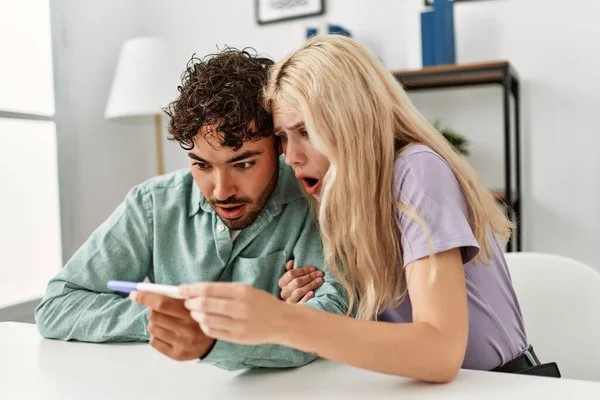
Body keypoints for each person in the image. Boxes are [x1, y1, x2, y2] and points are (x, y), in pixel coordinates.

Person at [180, 35, 560, 381]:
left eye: (308, 131)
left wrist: (287, 322)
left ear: (352, 120)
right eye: (283, 137)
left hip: (502, 385)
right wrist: (312, 300)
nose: (292, 157)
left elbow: (441, 352)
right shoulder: (337, 198)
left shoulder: (416, 170)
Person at [35, 47, 347, 371]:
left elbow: (330, 320)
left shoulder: (312, 199)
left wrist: (212, 333)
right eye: (201, 165)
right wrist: (170, 320)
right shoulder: (154, 204)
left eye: (243, 164)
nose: (221, 190)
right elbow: (58, 306)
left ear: (278, 146)